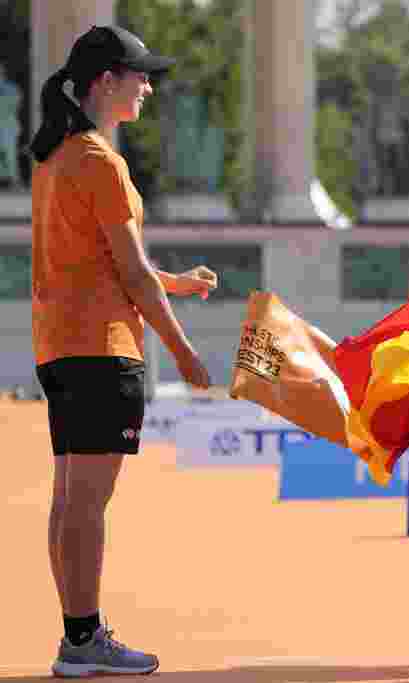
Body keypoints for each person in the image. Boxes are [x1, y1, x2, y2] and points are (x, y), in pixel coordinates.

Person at [29, 26, 218, 677]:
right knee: (86, 504)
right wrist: (185, 349)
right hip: (103, 352)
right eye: (139, 75)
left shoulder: (58, 157)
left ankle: (77, 633)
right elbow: (130, 275)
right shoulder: (99, 161)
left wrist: (176, 284)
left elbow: (114, 263)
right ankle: (83, 640)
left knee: (70, 500)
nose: (148, 86)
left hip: (62, 348)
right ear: (105, 80)